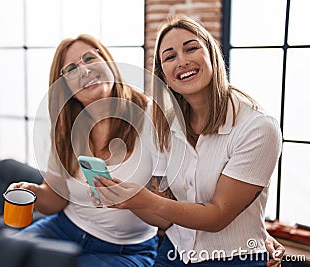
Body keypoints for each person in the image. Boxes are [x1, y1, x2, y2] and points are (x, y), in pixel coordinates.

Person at [93, 15, 284, 266]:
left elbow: (217, 216)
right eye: (169, 57)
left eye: (191, 48)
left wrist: (144, 199)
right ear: (164, 74)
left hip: (234, 258)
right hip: (174, 254)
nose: (182, 61)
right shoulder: (163, 125)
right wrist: (125, 199)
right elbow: (164, 217)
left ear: (211, 54)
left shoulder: (257, 127)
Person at [6, 34, 162, 267]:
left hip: (126, 249)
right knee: (2, 255)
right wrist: (33, 192)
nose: (85, 71)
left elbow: (167, 216)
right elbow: (56, 199)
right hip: (63, 229)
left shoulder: (152, 115)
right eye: (71, 69)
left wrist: (131, 199)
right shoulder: (66, 127)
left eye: (90, 58)